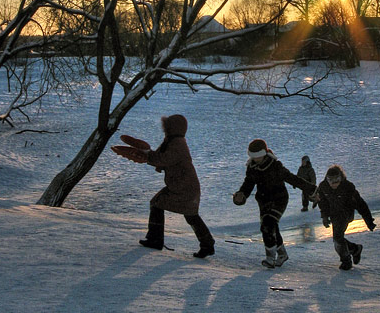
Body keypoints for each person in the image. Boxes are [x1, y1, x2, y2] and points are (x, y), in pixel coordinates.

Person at [112, 114, 215, 259]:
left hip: (184, 187)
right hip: (181, 185)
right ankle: (206, 245)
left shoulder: (178, 143)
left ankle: (157, 239)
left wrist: (147, 156)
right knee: (184, 213)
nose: (164, 129)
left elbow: (165, 159)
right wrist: (146, 153)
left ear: (172, 128)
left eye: (166, 127)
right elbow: (160, 157)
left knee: (175, 210)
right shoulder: (171, 141)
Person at [233, 139, 318, 268]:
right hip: (263, 200)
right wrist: (241, 195)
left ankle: (270, 258)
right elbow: (248, 185)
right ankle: (282, 254)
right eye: (253, 156)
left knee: (267, 225)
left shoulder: (275, 166)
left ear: (264, 153)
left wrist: (312, 190)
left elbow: (292, 179)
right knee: (271, 228)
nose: (255, 159)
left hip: (279, 199)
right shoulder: (251, 168)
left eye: (257, 156)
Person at [317, 165, 376, 271]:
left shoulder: (348, 187)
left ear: (341, 178)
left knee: (338, 238)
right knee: (337, 239)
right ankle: (355, 249)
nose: (334, 184)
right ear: (327, 179)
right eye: (331, 181)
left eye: (337, 180)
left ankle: (346, 261)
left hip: (345, 214)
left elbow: (360, 204)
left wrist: (369, 221)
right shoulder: (323, 187)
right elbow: (322, 203)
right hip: (334, 215)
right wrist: (324, 216)